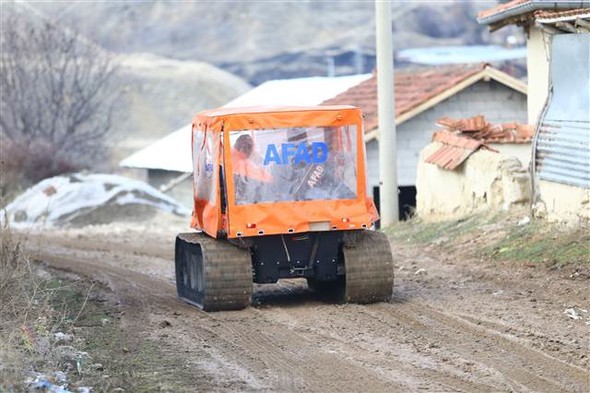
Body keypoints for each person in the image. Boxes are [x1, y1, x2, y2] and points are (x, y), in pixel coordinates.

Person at [231, 134, 272, 204]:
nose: (251, 154)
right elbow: (269, 178)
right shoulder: (244, 163)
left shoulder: (225, 156)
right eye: (251, 151)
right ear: (242, 149)